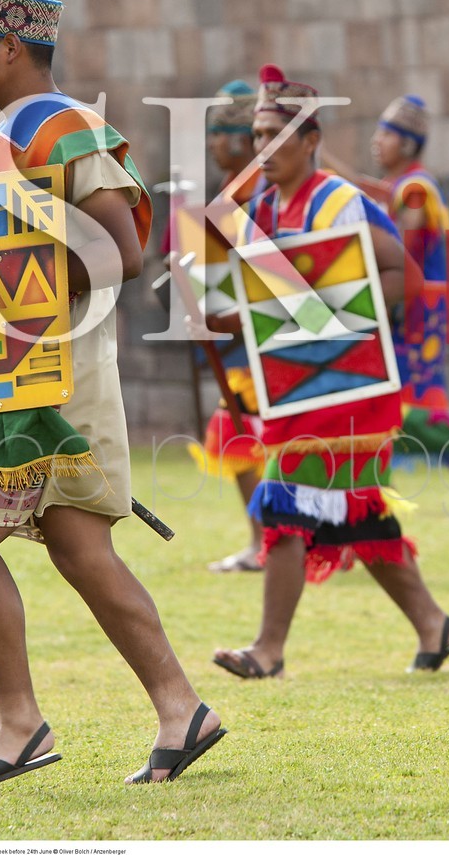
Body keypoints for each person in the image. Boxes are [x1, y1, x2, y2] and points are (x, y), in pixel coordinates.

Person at [0, 0, 223, 788]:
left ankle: (20, 722)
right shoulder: (8, 134)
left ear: (11, 46)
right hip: (23, 367)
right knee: (81, 549)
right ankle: (182, 708)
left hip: (44, 380)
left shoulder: (62, 128)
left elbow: (120, 254)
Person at [209, 64, 449, 681]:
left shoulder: (343, 204)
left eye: (276, 135)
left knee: (283, 500)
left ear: (310, 141)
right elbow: (270, 303)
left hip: (349, 387)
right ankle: (435, 625)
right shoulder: (260, 210)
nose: (262, 147)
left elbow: (405, 278)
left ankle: (268, 650)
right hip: (294, 386)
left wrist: (328, 313)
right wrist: (227, 316)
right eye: (256, 135)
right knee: (356, 513)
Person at [326, 94, 449, 512]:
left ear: (409, 144)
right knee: (391, 396)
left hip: (415, 308)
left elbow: (405, 245)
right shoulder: (398, 186)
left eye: (387, 134)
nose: (376, 141)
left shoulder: (416, 189)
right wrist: (323, 162)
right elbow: (362, 189)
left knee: (411, 401)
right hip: (402, 301)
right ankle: (392, 482)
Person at [185, 79, 269, 573]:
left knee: (250, 435)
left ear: (241, 139)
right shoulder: (231, 192)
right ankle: (264, 540)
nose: (212, 144)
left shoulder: (259, 191)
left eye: (218, 134)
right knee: (238, 434)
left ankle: (272, 541)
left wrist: (229, 314)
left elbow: (271, 272)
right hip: (237, 337)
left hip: (266, 338)